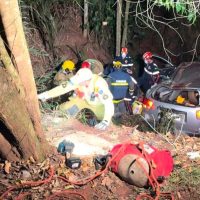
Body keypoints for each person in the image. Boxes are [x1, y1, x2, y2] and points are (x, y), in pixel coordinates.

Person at [38, 68, 114, 130]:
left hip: (99, 106)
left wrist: (106, 120)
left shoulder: (99, 84)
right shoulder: (79, 80)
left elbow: (109, 103)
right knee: (63, 108)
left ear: (86, 81)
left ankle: (105, 124)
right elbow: (63, 88)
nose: (77, 83)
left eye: (79, 81)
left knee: (106, 125)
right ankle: (60, 118)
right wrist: (46, 95)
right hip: (82, 101)